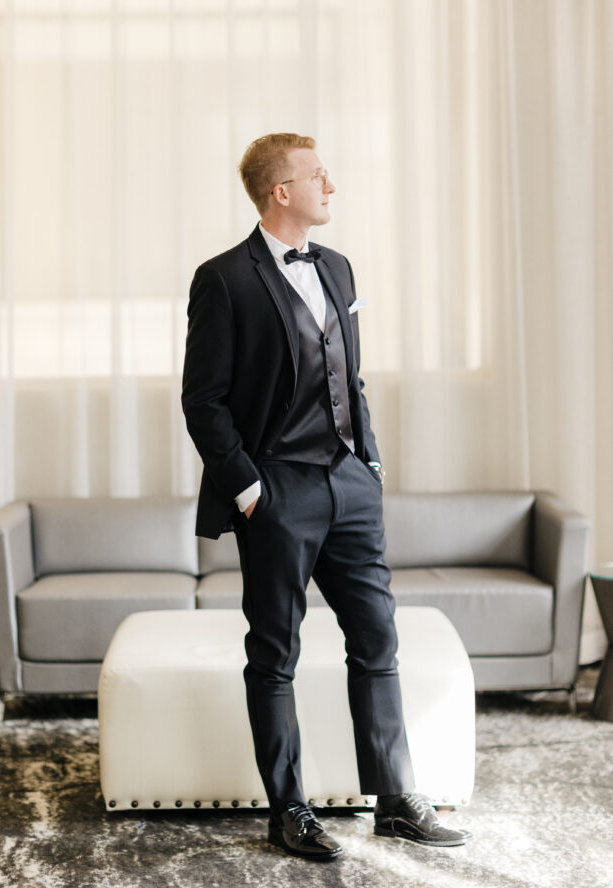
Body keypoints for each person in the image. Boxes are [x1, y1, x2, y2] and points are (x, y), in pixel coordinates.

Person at [181, 133, 470, 860]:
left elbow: (351, 378)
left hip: (349, 484)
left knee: (377, 641)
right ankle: (290, 810)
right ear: (281, 192)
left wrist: (368, 463)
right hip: (278, 491)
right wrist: (249, 490)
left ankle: (395, 798)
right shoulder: (224, 279)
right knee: (274, 651)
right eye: (318, 176)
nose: (330, 186)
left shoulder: (337, 268)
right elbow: (203, 401)